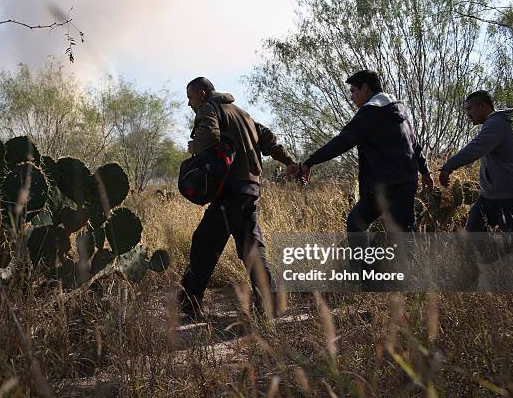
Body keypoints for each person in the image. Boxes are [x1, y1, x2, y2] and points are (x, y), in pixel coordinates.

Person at [179, 77, 298, 320]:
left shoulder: (208, 109)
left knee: (204, 243)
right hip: (250, 188)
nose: (189, 104)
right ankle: (269, 304)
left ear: (202, 94)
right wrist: (291, 162)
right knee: (252, 247)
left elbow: (209, 135)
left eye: (190, 98)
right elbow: (268, 139)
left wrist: (195, 147)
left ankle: (188, 305)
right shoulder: (242, 114)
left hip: (229, 190)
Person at [294, 70, 433, 277]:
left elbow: (343, 141)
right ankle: (411, 279)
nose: (351, 97)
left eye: (353, 91)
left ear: (365, 88)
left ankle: (362, 277)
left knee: (356, 223)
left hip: (383, 185)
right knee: (404, 231)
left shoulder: (371, 111)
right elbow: (414, 144)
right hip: (407, 180)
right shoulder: (399, 109)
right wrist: (425, 171)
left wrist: (309, 162)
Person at [439, 90, 513, 232]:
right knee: (474, 237)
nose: (467, 114)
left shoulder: (497, 123)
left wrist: (448, 166)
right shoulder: (500, 122)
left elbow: (475, 149)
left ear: (483, 106)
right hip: (491, 195)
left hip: (509, 197)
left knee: (511, 245)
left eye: (470, 108)